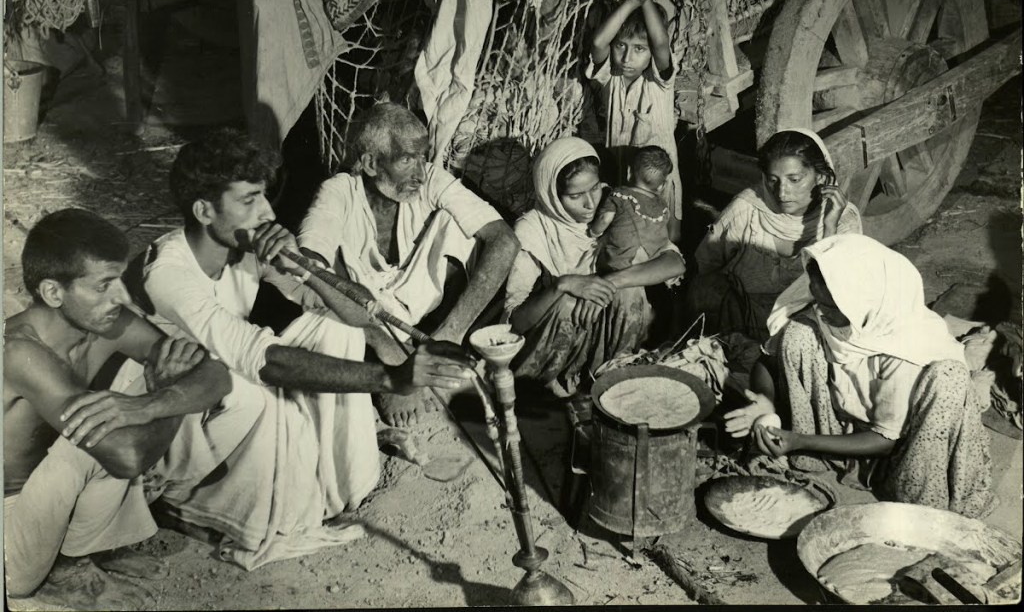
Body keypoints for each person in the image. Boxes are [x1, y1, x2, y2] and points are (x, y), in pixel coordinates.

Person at [137, 128, 475, 568]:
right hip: (174, 415)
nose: (265, 211)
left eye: (263, 197)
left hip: (222, 384)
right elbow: (260, 358)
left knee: (336, 330)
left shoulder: (245, 246)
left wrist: (305, 268)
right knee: (261, 388)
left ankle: (338, 490)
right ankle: (195, 506)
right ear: (204, 210)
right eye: (249, 200)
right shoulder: (169, 272)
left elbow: (358, 316)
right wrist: (391, 378)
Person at [3, 208, 234, 601]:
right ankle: (65, 569)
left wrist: (153, 402)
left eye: (119, 280)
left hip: (49, 499)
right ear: (53, 292)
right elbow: (125, 457)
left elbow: (215, 372)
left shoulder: (101, 322)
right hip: (9, 540)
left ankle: (89, 548)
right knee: (100, 431)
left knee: (160, 369)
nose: (120, 297)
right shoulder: (20, 353)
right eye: (103, 285)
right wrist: (161, 395)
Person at [725, 234, 993, 518]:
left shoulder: (907, 349)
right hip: (842, 428)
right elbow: (766, 362)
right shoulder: (828, 313)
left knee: (948, 378)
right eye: (816, 299)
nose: (820, 311)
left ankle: (908, 493)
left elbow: (885, 439)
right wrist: (765, 402)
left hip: (901, 451)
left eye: (829, 307)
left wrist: (800, 440)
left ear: (863, 306)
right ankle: (819, 456)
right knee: (799, 332)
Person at [297, 102, 520, 427]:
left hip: (428, 310)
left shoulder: (430, 178)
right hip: (370, 315)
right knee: (322, 278)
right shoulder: (339, 192)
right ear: (371, 163)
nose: (419, 172)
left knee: (459, 226)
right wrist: (386, 347)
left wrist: (451, 335)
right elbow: (310, 263)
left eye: (422, 156)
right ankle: (394, 371)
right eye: (406, 160)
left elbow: (505, 241)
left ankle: (433, 348)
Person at [504, 137, 686, 398]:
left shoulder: (615, 206)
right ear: (551, 194)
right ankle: (548, 390)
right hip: (550, 349)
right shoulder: (533, 230)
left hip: (600, 339)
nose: (590, 204)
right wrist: (564, 284)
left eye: (595, 188)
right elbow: (515, 323)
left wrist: (610, 283)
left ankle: (610, 377)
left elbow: (673, 262)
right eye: (575, 196)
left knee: (629, 291)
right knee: (567, 302)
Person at [689, 128, 861, 343]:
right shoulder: (748, 209)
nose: (781, 192)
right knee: (704, 289)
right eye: (773, 180)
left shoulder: (842, 218)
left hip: (808, 330)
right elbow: (705, 265)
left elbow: (839, 291)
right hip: (745, 323)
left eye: (794, 179)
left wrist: (829, 227)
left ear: (820, 176)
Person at [587, 0, 682, 243]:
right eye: (621, 46)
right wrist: (631, 1)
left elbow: (661, 44)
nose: (627, 58)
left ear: (651, 53)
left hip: (657, 179)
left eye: (639, 49)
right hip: (621, 174)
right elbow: (598, 43)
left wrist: (646, 0)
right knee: (623, 234)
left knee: (667, 235)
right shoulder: (610, 77)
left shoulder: (660, 82)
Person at [588, 145, 675, 276]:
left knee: (595, 253)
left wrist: (593, 232)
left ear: (629, 172)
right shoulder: (662, 204)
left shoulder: (620, 194)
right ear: (662, 185)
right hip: (652, 261)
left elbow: (604, 219)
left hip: (622, 260)